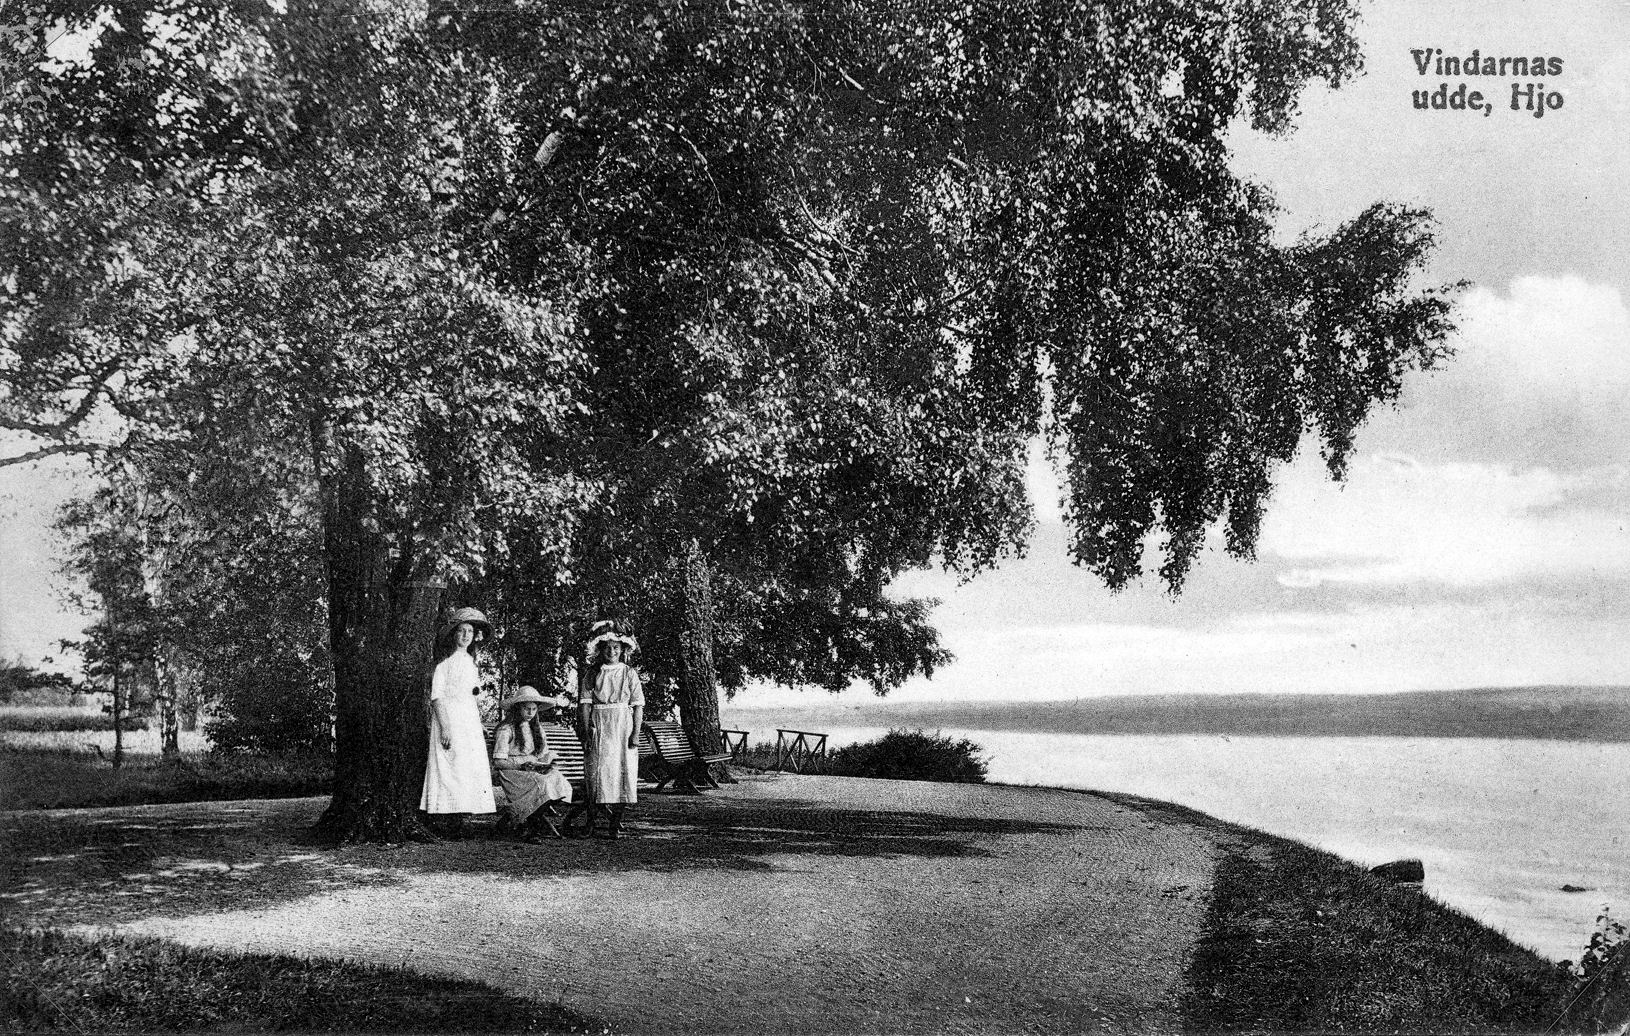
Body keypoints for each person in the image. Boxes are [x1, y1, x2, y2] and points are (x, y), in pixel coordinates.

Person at [420, 606, 497, 839]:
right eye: (461, 631)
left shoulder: (471, 664)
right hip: (450, 719)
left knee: (467, 767)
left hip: (468, 720)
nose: (465, 635)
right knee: (449, 766)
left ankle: (462, 819)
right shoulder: (444, 665)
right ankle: (445, 819)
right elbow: (437, 697)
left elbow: (471, 696)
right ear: (454, 634)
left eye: (470, 631)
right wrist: (445, 726)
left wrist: (479, 721)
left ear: (475, 636)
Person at [567, 623, 644, 839]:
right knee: (596, 774)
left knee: (623, 772)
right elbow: (584, 705)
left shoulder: (629, 673)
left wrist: (635, 733)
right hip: (599, 724)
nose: (612, 652)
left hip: (622, 725)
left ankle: (614, 823)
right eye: (608, 648)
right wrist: (585, 730)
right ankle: (590, 823)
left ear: (623, 650)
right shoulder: (593, 673)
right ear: (601, 650)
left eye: (616, 648)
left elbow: (638, 705)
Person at [492, 686, 572, 842]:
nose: (530, 712)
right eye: (526, 708)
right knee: (541, 783)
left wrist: (546, 762)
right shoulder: (506, 729)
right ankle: (531, 826)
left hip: (532, 769)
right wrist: (521, 766)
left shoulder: (537, 729)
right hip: (512, 772)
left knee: (556, 778)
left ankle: (524, 821)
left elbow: (541, 756)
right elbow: (498, 762)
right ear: (517, 708)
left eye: (534, 709)